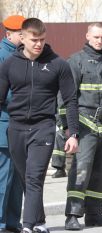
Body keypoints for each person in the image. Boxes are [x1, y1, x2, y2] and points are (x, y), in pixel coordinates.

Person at [0, 18, 79, 233]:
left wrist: (73, 134)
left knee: (34, 177)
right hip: (15, 128)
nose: (38, 44)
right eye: (34, 40)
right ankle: (40, 221)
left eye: (42, 39)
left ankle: (27, 226)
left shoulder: (58, 64)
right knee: (28, 179)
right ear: (22, 38)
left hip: (43, 127)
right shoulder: (9, 64)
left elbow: (71, 100)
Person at [64, 22, 102, 231]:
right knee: (81, 171)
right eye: (96, 36)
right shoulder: (75, 61)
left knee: (101, 173)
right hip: (85, 125)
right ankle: (72, 215)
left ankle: (94, 214)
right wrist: (67, 128)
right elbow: (66, 97)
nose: (100, 40)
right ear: (88, 36)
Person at [0, 15, 25, 233]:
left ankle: (12, 222)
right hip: (5, 126)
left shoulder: (21, 55)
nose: (25, 37)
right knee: (3, 179)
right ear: (9, 34)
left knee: (17, 180)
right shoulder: (2, 57)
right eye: (21, 33)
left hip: (21, 128)